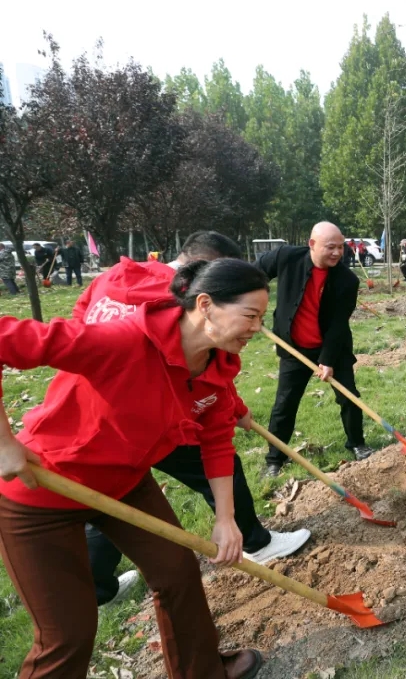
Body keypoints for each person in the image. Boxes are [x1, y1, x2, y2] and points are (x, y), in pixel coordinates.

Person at [0, 258, 268, 679]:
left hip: (124, 483)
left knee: (177, 573)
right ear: (206, 304)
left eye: (262, 318)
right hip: (42, 494)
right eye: (250, 316)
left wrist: (226, 518)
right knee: (68, 634)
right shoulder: (119, 342)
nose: (257, 328)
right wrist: (2, 440)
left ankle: (203, 672)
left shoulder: (217, 368)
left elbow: (216, 441)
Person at [73, 230, 311, 606]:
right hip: (151, 418)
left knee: (110, 494)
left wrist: (231, 406)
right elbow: (193, 362)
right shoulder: (169, 304)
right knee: (211, 465)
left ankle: (97, 586)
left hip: (111, 419)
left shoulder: (112, 277)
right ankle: (254, 541)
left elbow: (79, 317)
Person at [256, 222, 370, 477]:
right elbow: (254, 273)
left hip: (333, 348)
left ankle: (358, 444)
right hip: (293, 346)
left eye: (341, 247)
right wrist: (254, 308)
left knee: (348, 396)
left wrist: (328, 360)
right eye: (331, 247)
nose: (337, 253)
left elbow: (339, 324)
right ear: (312, 244)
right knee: (285, 403)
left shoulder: (347, 280)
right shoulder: (286, 257)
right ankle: (275, 459)